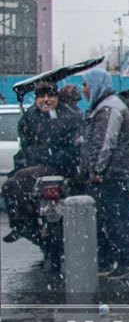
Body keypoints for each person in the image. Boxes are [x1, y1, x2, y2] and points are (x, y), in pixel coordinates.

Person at [2, 81, 82, 244]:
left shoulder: (69, 117)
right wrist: (22, 161)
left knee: (15, 183)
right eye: (42, 96)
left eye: (50, 96)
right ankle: (22, 225)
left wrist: (49, 157)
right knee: (10, 188)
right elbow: (25, 146)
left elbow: (73, 150)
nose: (46, 100)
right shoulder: (31, 117)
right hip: (34, 169)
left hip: (59, 170)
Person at [80, 68, 129, 279]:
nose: (84, 90)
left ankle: (125, 262)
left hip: (115, 174)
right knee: (109, 219)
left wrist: (96, 169)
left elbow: (105, 142)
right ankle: (110, 261)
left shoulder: (109, 108)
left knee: (115, 219)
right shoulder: (105, 106)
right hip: (115, 172)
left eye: (86, 85)